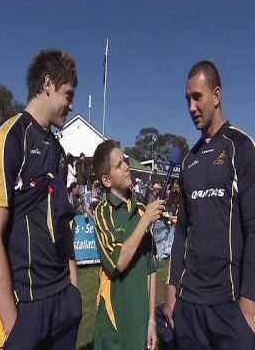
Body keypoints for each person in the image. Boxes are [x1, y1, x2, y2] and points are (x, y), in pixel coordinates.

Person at [0, 49, 81, 350]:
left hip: (63, 301)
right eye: (68, 94)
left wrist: (73, 293)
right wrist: (14, 326)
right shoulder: (10, 137)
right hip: (24, 307)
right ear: (48, 84)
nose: (72, 105)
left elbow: (64, 228)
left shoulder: (59, 153)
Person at [164, 60, 255, 349]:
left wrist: (248, 302)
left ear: (217, 95)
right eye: (188, 100)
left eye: (197, 97)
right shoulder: (188, 160)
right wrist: (172, 290)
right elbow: (182, 231)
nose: (191, 107)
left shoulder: (242, 147)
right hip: (188, 304)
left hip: (229, 305)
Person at [92, 139, 166, 350]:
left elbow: (151, 270)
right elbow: (118, 263)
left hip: (142, 327)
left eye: (125, 160)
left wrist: (151, 320)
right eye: (119, 164)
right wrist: (145, 222)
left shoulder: (142, 209)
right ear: (107, 180)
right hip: (115, 330)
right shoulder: (103, 212)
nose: (127, 166)